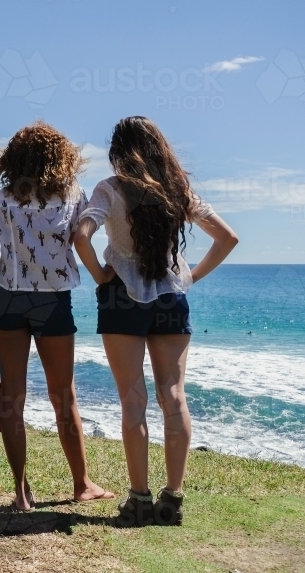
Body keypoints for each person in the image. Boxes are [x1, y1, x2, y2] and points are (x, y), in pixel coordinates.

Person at [73, 116, 238, 527]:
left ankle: (139, 500)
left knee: (133, 399)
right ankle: (173, 499)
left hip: (120, 300)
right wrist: (190, 277)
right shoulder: (177, 191)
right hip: (170, 297)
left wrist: (99, 273)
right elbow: (228, 238)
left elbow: (81, 234)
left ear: (117, 150)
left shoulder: (109, 189)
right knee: (174, 396)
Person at [0, 122, 114, 511]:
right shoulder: (73, 198)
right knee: (64, 395)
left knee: (13, 396)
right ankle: (82, 484)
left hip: (6, 302)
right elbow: (83, 244)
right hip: (52, 302)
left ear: (13, 159)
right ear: (60, 158)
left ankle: (21, 492)